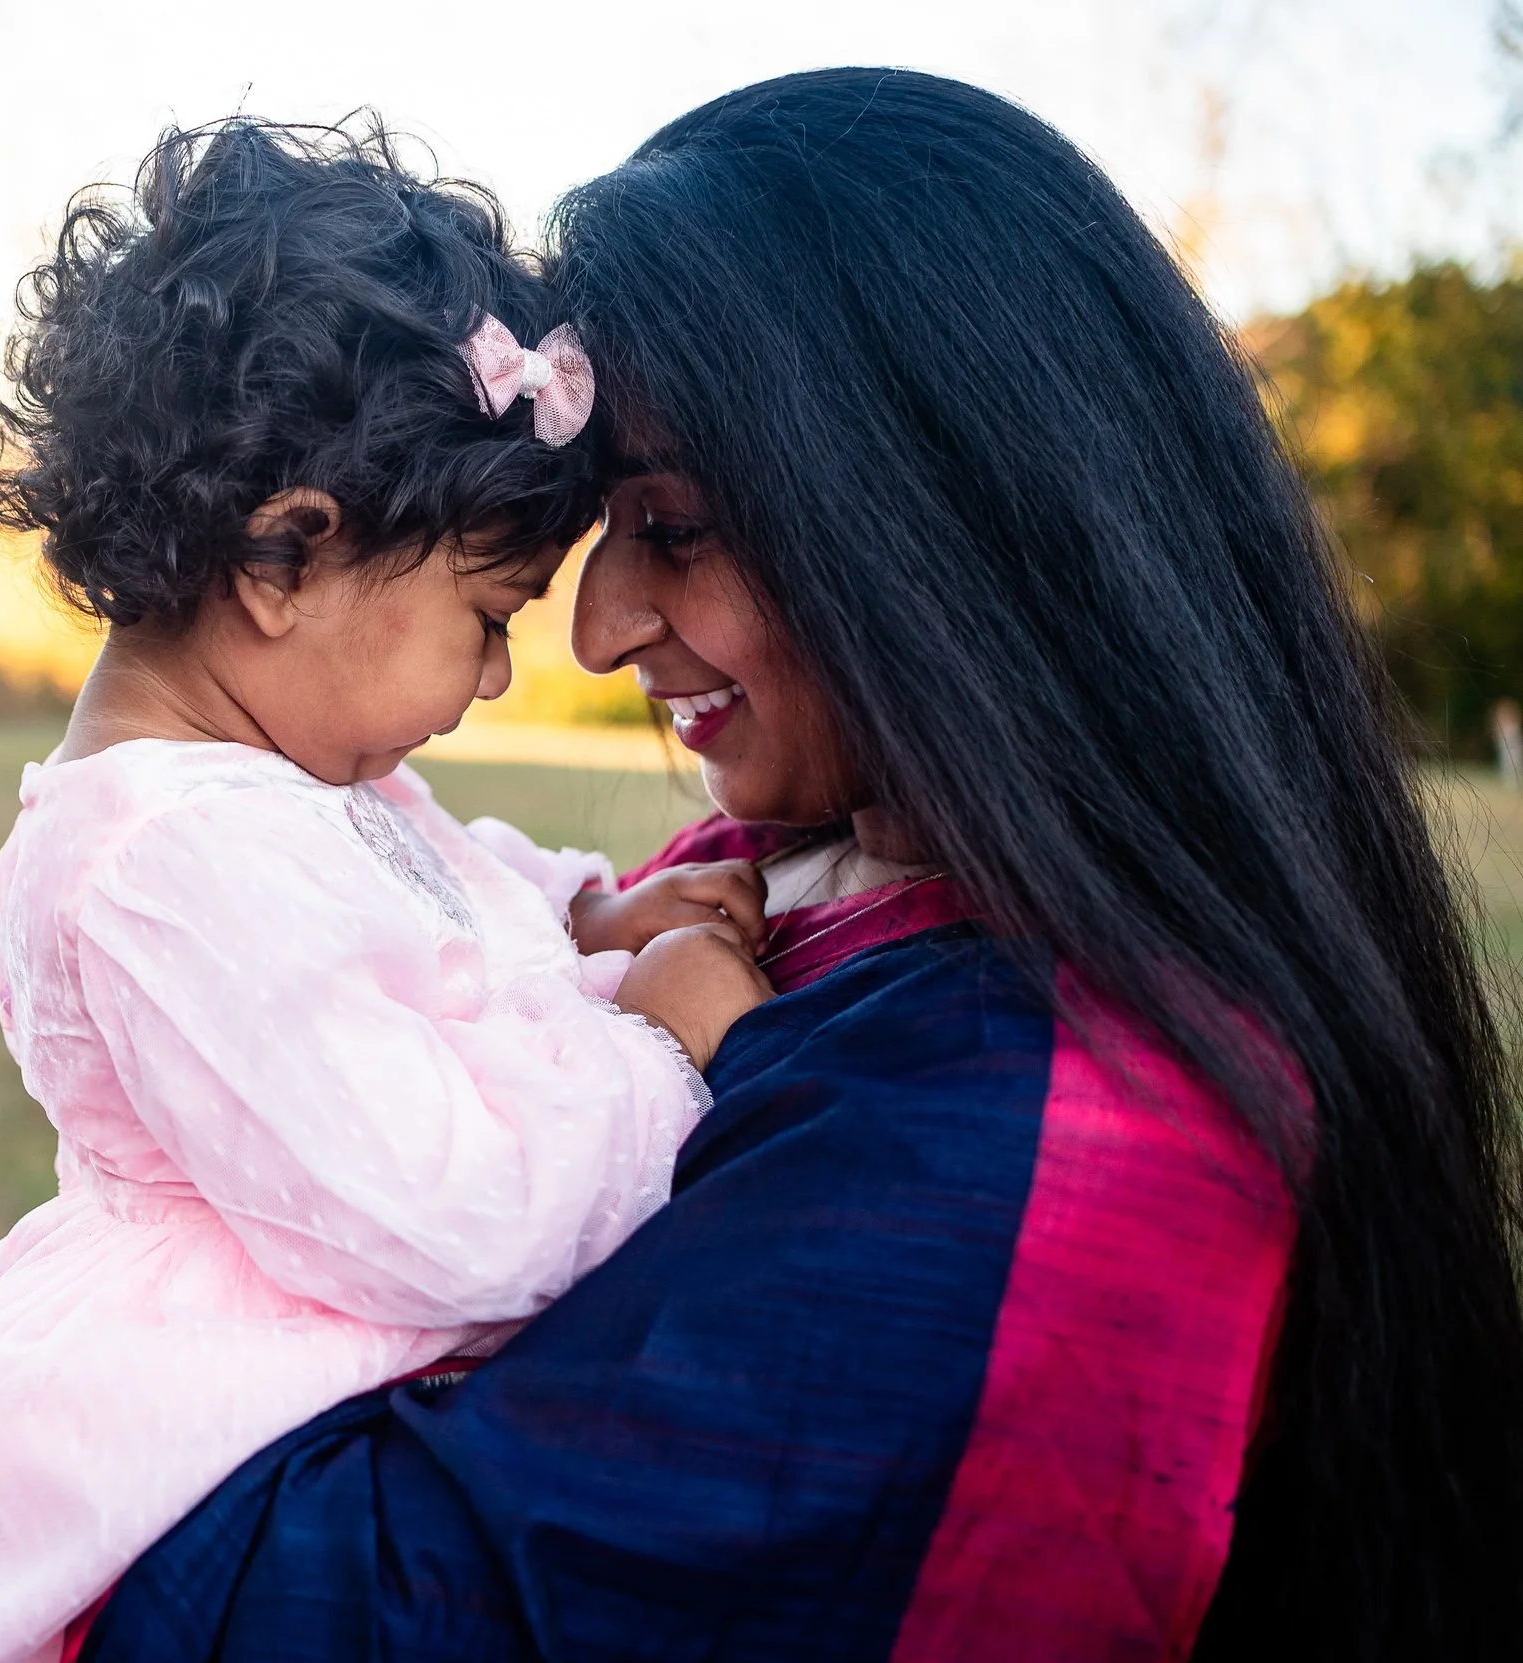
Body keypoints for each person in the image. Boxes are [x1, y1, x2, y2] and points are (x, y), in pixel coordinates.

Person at [77, 70, 1523, 1663]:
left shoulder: (1071, 1136)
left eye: (674, 526)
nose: (597, 629)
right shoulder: (787, 864)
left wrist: (86, 1452)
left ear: (937, 520)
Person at [0, 120, 781, 1663]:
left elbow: (435, 886)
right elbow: (454, 1214)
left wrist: (586, 913)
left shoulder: (290, 781)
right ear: (283, 559)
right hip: (233, 1472)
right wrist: (660, 1046)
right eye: (488, 611)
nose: (509, 667)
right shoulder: (160, 867)